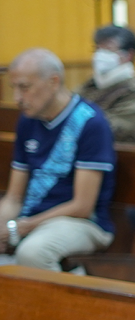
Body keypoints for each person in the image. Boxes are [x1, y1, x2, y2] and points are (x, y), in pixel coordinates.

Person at [0, 48, 115, 270]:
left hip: (81, 223)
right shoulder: (28, 121)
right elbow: (14, 197)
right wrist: (4, 225)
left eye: (25, 87)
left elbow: (82, 206)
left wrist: (21, 227)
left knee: (33, 253)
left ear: (53, 82)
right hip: (31, 219)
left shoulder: (90, 122)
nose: (17, 99)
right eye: (14, 88)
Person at [77, 24, 135, 145]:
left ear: (128, 55)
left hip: (121, 154)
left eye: (108, 49)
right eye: (97, 49)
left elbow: (125, 131)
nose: (100, 55)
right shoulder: (90, 86)